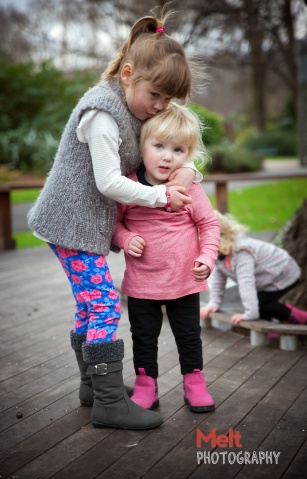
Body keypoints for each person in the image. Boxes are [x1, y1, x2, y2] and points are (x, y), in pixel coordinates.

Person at [27, 7, 203, 431]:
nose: (159, 107)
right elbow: (109, 182)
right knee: (104, 301)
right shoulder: (103, 115)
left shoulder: (131, 108)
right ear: (128, 75)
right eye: (156, 96)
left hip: (81, 226)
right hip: (68, 223)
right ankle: (108, 403)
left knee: (90, 303)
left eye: (168, 100)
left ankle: (92, 385)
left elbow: (167, 151)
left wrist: (189, 171)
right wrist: (162, 196)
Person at [112, 102, 220, 413]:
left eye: (178, 150)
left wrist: (207, 257)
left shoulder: (189, 188)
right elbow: (115, 224)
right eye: (159, 146)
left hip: (184, 281)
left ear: (188, 156)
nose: (167, 156)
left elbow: (209, 224)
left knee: (189, 336)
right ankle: (147, 385)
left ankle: (194, 381)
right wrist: (126, 237)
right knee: (144, 338)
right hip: (142, 284)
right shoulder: (129, 187)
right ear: (141, 146)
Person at [200, 210, 307, 326]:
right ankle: (270, 326)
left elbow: (246, 282)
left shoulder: (241, 251)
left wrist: (250, 314)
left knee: (258, 303)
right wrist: (214, 303)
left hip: (284, 273)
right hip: (267, 276)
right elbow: (218, 279)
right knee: (257, 302)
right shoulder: (219, 252)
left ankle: (299, 317)